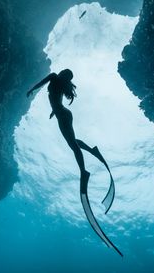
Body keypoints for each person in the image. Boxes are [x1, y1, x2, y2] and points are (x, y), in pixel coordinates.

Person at [26, 69, 123, 256]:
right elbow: (56, 101)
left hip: (62, 114)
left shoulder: (54, 77)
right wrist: (54, 112)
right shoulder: (61, 84)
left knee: (72, 145)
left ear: (62, 73)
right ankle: (91, 151)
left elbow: (42, 84)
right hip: (63, 113)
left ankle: (84, 171)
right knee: (73, 142)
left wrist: (31, 89)